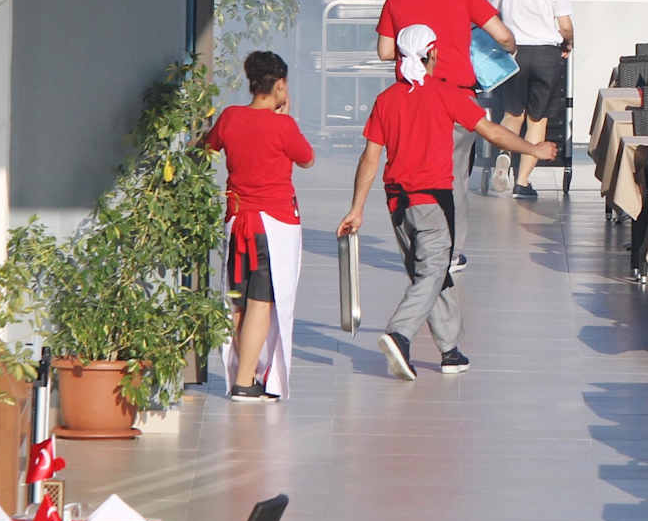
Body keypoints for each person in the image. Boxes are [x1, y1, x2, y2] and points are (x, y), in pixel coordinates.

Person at [338, 24, 557, 382]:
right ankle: (400, 333)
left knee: (431, 272)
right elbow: (492, 132)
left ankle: (449, 350)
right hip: (433, 200)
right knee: (433, 271)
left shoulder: (386, 100)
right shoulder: (446, 94)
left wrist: (357, 208)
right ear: (433, 54)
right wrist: (533, 149)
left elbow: (370, 158)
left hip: (398, 205)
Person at [377, 0, 517, 267]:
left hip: (409, 101)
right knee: (452, 178)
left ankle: (415, 242)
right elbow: (502, 35)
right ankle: (449, 253)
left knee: (409, 172)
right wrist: (509, 49)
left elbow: (384, 51)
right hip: (456, 99)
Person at [204, 52, 315, 403]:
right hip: (274, 223)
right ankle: (244, 380)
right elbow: (307, 158)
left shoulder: (230, 117)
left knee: (238, 301)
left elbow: (207, 146)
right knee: (262, 302)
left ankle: (247, 373)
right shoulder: (283, 127)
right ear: (280, 85)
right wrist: (286, 118)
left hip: (238, 221)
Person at [491, 0, 574, 203]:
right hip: (546, 54)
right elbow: (564, 24)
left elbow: (491, 16)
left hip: (513, 52)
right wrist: (568, 43)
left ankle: (504, 156)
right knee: (537, 119)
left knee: (512, 114)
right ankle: (522, 182)